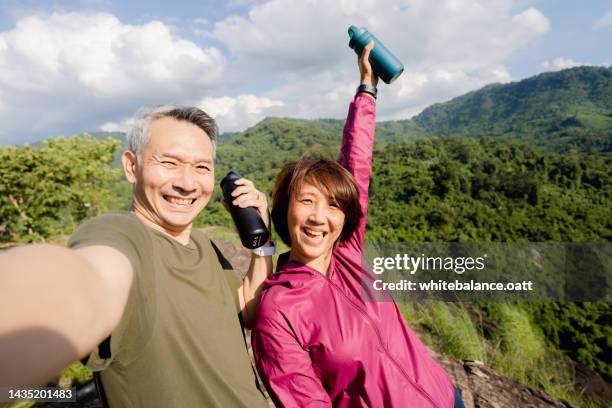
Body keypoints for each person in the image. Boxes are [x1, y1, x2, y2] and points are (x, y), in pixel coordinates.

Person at [0, 105, 272, 407]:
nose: (187, 182)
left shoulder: (203, 243)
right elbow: (88, 279)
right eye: (169, 163)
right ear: (131, 166)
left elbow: (247, 309)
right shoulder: (122, 234)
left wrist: (262, 242)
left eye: (202, 167)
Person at [251, 42, 463, 407]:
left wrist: (368, 86)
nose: (319, 216)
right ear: (285, 210)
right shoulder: (279, 308)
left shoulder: (347, 254)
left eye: (333, 205)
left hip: (446, 395)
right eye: (306, 201)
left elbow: (356, 166)